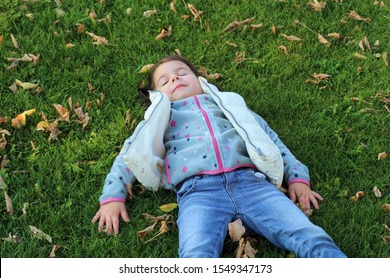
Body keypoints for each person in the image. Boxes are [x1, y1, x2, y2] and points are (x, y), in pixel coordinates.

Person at [92, 55, 347, 258]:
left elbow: (269, 139)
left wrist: (297, 177)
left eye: (182, 73)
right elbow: (130, 155)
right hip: (198, 194)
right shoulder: (158, 120)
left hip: (253, 185)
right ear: (155, 96)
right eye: (165, 81)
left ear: (199, 79)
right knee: (195, 255)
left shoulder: (230, 106)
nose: (175, 80)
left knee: (308, 235)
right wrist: (112, 197)